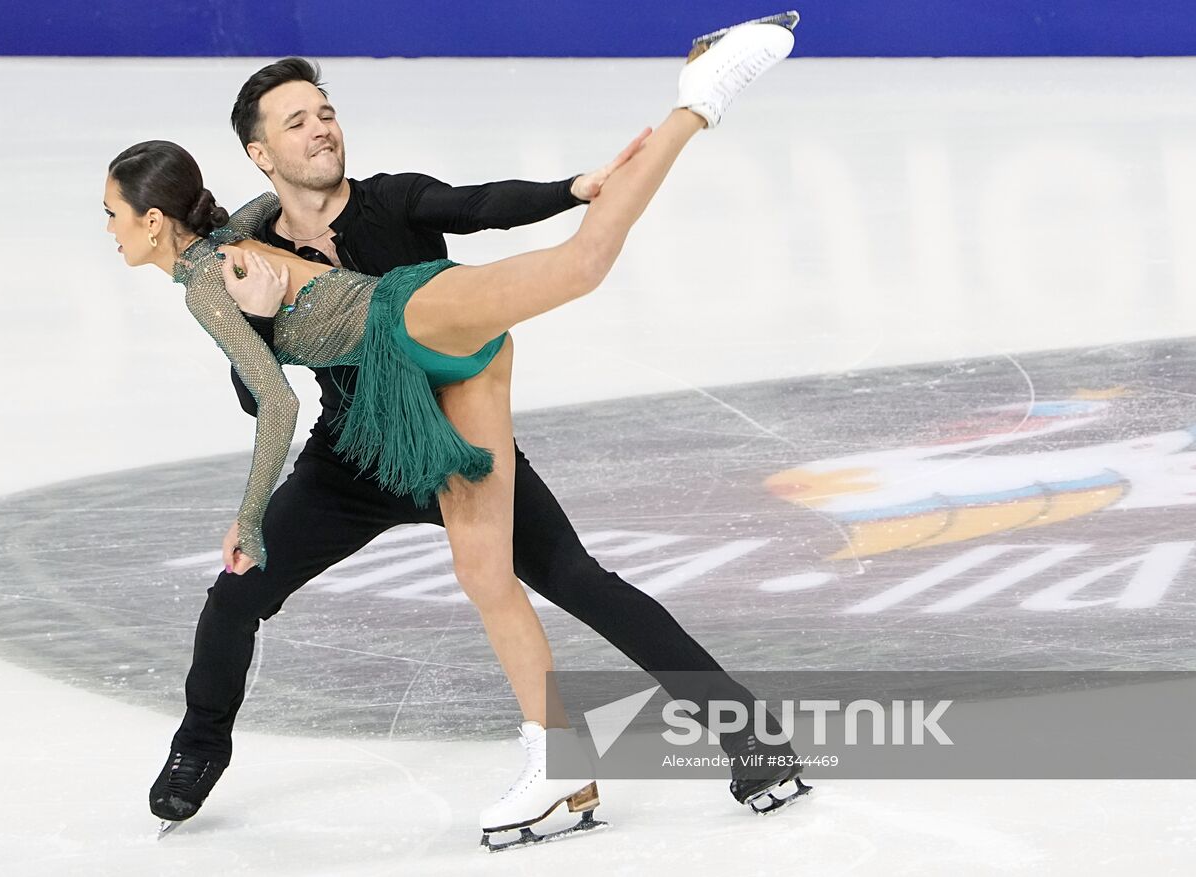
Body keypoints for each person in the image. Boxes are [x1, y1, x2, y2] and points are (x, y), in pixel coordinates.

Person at [106, 12, 808, 844]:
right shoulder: (249, 240)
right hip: (356, 456)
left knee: (576, 579)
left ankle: (749, 735)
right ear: (262, 155)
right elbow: (256, 387)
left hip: (454, 424)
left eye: (324, 111)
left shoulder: (389, 199)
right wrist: (255, 326)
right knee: (237, 598)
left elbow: (476, 206)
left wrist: (569, 189)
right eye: (296, 121)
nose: (320, 127)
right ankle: (200, 748)